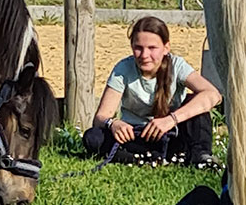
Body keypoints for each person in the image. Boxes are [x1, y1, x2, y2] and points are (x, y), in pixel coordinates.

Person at [83, 16, 222, 166]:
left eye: (152, 48)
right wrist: (113, 123)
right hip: (136, 135)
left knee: (195, 103)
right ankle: (148, 158)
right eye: (138, 48)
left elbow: (213, 95)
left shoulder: (177, 65)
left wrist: (171, 120)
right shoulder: (123, 69)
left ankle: (201, 157)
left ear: (166, 48)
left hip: (172, 133)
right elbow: (101, 117)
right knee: (93, 137)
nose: (144, 55)